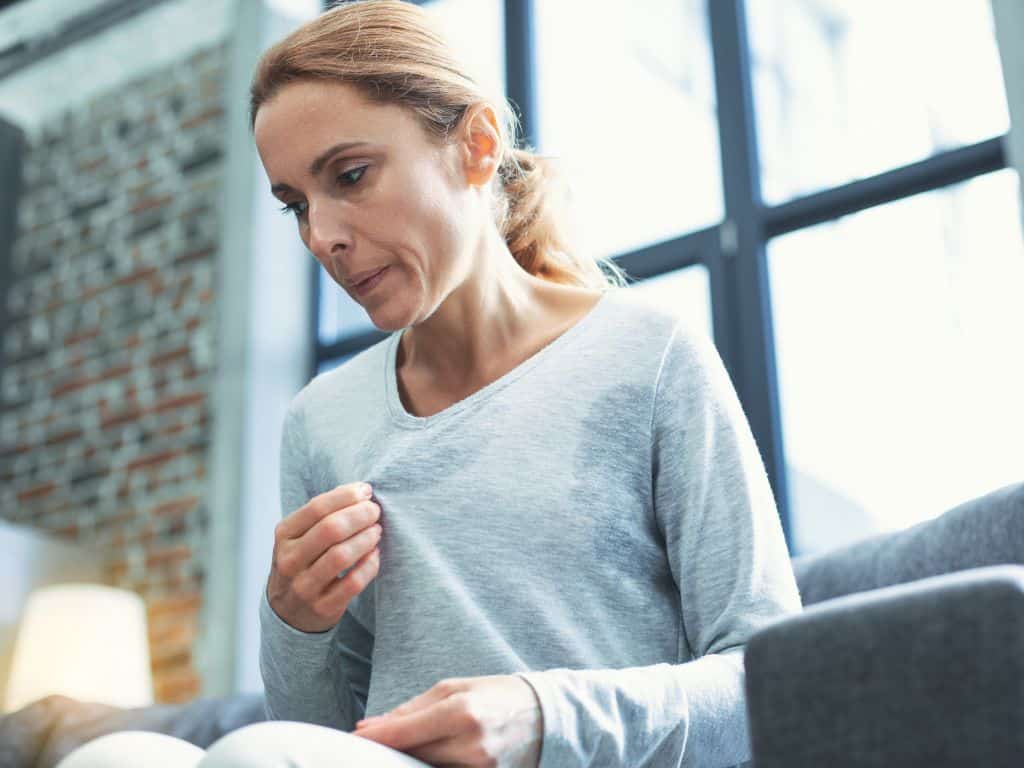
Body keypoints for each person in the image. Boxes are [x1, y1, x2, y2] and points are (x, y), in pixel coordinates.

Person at [57, 1, 802, 766]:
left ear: (476, 146)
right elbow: (313, 737)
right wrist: (293, 621)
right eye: (296, 207)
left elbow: (771, 682)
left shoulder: (649, 355)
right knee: (105, 758)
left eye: (350, 176)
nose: (323, 236)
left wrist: (544, 715)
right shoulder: (322, 421)